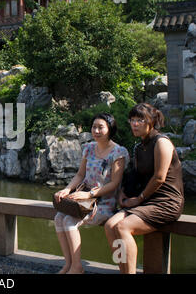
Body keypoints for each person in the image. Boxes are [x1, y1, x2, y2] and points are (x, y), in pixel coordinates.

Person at [104, 103, 184, 274]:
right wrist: (123, 192)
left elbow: (159, 177)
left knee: (123, 227)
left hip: (166, 202)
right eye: (132, 120)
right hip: (147, 200)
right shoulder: (139, 147)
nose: (135, 124)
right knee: (110, 225)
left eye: (140, 120)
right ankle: (124, 269)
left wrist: (138, 199)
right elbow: (135, 175)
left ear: (152, 121)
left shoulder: (161, 142)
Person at [53, 113, 129, 274]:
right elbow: (80, 175)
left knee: (69, 221)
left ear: (110, 129)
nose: (96, 130)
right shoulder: (88, 148)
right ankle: (68, 264)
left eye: (100, 127)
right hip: (84, 198)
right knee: (59, 217)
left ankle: (77, 267)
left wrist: (90, 195)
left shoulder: (118, 152)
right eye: (94, 127)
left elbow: (114, 183)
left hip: (103, 202)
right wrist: (67, 189)